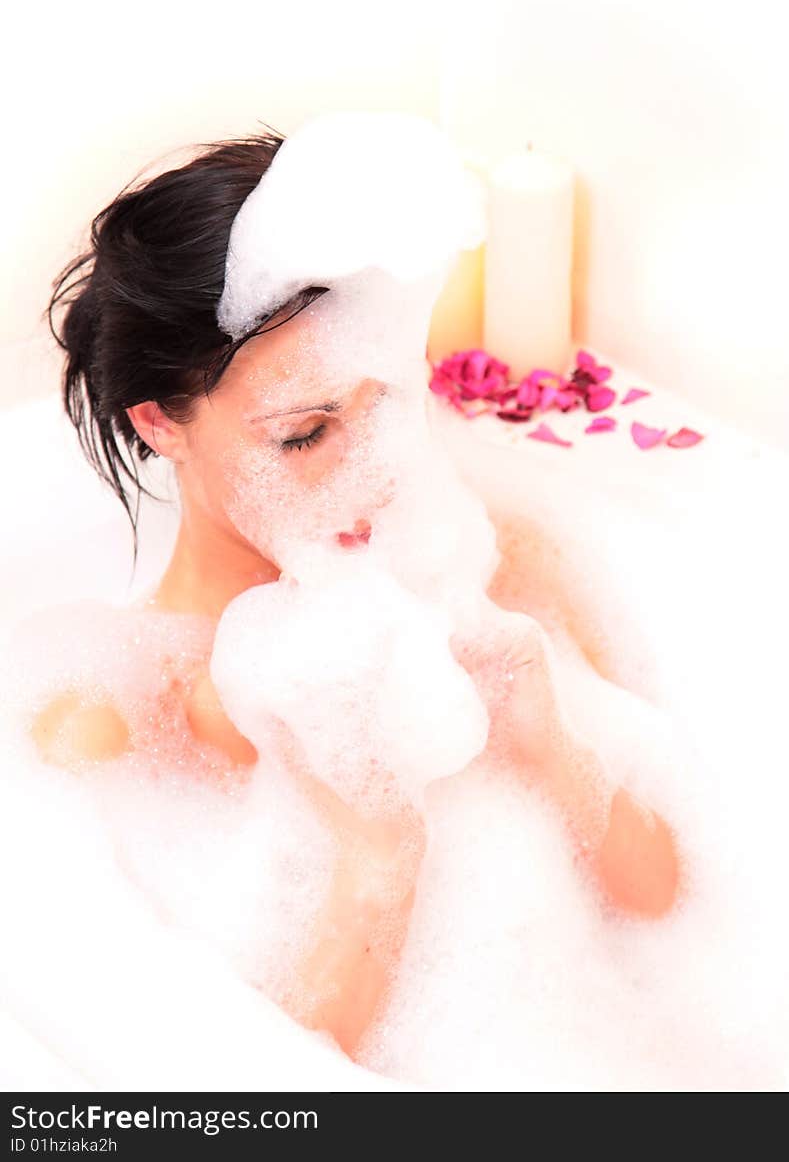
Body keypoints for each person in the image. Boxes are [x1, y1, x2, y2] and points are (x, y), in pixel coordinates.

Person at [33, 129, 681, 1059]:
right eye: (303, 434)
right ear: (158, 422)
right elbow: (218, 1104)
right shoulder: (121, 725)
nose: (367, 477)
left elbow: (664, 907)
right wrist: (378, 860)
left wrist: (554, 754)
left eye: (381, 404)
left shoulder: (499, 568)